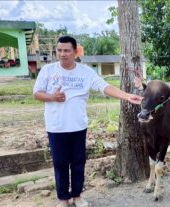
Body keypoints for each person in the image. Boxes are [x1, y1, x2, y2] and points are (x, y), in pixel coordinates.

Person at [33, 36, 143, 207]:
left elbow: (105, 87)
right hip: (56, 127)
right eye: (59, 50)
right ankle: (63, 198)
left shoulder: (85, 72)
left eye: (67, 50)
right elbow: (37, 93)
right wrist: (52, 97)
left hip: (78, 126)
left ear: (75, 52)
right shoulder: (48, 70)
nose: (62, 54)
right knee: (60, 164)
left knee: (78, 162)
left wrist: (127, 96)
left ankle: (77, 196)